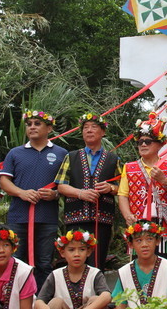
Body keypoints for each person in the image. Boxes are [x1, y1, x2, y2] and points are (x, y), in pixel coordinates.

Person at [0, 109, 67, 289]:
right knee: (16, 262)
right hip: (18, 218)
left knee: (45, 263)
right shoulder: (15, 153)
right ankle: (15, 300)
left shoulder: (62, 153)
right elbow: (4, 181)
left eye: (37, 124)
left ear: (49, 128)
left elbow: (66, 185)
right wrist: (21, 192)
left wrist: (55, 194)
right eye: (29, 124)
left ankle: (42, 302)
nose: (32, 127)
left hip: (47, 217)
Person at [55, 112, 121, 268]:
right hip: (75, 218)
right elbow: (61, 185)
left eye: (94, 127)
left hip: (102, 219)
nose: (89, 130)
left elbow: (123, 188)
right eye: (85, 127)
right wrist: (80, 193)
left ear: (103, 132)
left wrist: (110, 188)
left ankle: (97, 292)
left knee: (98, 261)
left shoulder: (113, 159)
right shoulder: (71, 156)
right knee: (75, 260)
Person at [118, 112, 167, 262]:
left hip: (165, 230)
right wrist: (127, 216)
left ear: (160, 144)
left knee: (165, 269)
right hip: (139, 229)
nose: (144, 145)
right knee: (139, 271)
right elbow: (122, 195)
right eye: (140, 142)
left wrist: (164, 180)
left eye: (148, 141)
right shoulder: (129, 167)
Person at [112, 220, 167, 308]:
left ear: (157, 241)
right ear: (131, 245)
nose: (144, 245)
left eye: (149, 239)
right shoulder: (124, 272)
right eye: (139, 240)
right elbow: (120, 305)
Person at [35, 230, 111, 309]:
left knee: (95, 299)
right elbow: (39, 301)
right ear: (62, 253)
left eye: (82, 249)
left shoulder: (94, 273)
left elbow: (106, 295)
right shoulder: (56, 275)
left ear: (88, 252)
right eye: (71, 250)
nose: (77, 254)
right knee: (56, 302)